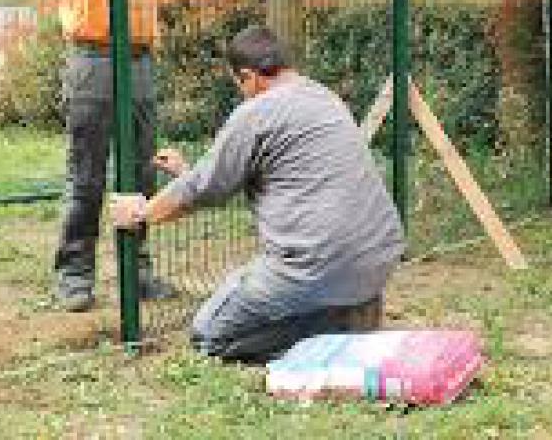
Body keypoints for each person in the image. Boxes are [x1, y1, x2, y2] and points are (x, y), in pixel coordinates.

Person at [110, 26, 406, 362]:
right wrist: (187, 173)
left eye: (239, 84)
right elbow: (274, 180)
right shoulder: (325, 97)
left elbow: (201, 191)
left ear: (248, 77)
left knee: (209, 336)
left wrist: (140, 214)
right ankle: (347, 312)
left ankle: (332, 331)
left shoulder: (256, 113)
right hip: (378, 255)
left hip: (313, 264)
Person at [49, 0, 240, 311]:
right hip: (93, 57)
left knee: (141, 169)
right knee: (87, 172)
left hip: (138, 59)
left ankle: (138, 272)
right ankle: (74, 276)